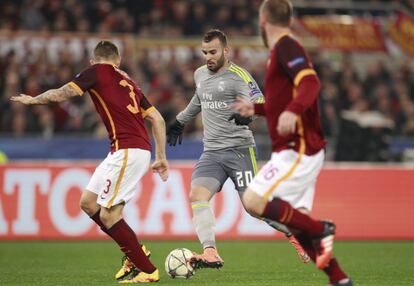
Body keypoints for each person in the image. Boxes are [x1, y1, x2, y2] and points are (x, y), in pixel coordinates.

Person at [10, 40, 168, 284]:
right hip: (125, 150)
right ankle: (137, 253)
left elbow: (62, 93)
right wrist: (161, 157)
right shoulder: (131, 83)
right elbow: (157, 119)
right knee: (88, 203)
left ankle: (147, 271)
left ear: (93, 61)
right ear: (118, 61)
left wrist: (33, 100)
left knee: (109, 216)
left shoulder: (96, 72)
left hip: (128, 149)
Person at [231, 1, 353, 286]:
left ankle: (322, 229)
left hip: (297, 149)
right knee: (295, 223)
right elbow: (283, 99)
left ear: (263, 19)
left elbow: (311, 83)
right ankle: (340, 279)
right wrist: (258, 110)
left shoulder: (286, 46)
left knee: (253, 200)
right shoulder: (281, 51)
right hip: (301, 148)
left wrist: (292, 111)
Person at [167, 29, 304, 269]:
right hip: (211, 152)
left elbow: (260, 101)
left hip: (239, 150)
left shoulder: (238, 75)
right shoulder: (200, 74)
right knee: (197, 196)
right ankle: (210, 253)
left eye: (213, 52)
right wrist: (180, 121)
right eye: (205, 52)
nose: (208, 56)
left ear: (225, 51)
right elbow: (199, 99)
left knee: (253, 207)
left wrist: (248, 117)